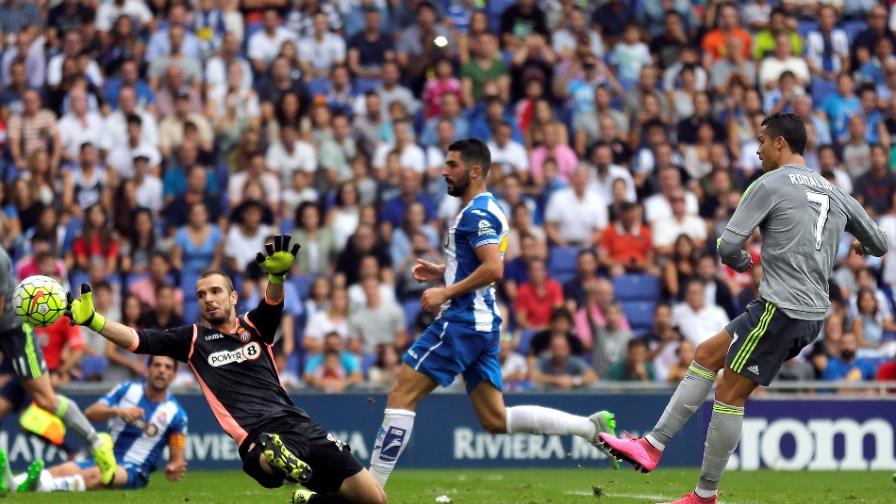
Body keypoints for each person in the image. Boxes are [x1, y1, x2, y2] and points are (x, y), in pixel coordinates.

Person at [598, 113, 888, 503]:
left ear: (781, 143)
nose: (757, 149)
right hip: (807, 310)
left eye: (762, 141)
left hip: (783, 308)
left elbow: (727, 245)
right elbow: (881, 242)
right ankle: (651, 445)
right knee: (706, 354)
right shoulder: (836, 193)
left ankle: (704, 495)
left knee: (730, 394)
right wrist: (863, 245)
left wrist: (739, 264)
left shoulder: (768, 184)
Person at [368, 138, 619, 490]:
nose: (444, 171)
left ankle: (370, 492)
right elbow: (481, 263)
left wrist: (446, 291)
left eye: (452, 165)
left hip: (463, 322)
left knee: (401, 396)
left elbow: (493, 268)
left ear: (474, 170)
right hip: (482, 324)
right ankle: (589, 428)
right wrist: (445, 269)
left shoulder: (477, 214)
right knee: (495, 420)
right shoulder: (489, 209)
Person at [65, 235, 386, 504]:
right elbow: (138, 340)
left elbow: (272, 304)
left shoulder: (255, 327)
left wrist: (277, 278)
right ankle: (275, 458)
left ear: (233, 297)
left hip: (298, 423)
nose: (208, 299)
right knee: (267, 459)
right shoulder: (193, 339)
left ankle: (305, 496)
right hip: (254, 436)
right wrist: (94, 321)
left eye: (216, 291)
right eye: (201, 295)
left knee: (374, 499)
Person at [0, 246, 117, 490]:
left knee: (46, 400)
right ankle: (7, 479)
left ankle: (97, 444)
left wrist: (63, 371)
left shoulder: (0, 260)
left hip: (13, 330)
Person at [10, 355, 187, 492]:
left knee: (97, 475)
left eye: (167, 367)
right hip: (105, 458)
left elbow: (177, 460)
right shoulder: (127, 390)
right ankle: (10, 483)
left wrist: (174, 467)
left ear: (173, 374)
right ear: (147, 369)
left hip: (134, 471)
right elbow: (90, 413)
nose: (162, 370)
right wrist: (118, 412)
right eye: (157, 365)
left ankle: (36, 487)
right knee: (61, 470)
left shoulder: (176, 414)